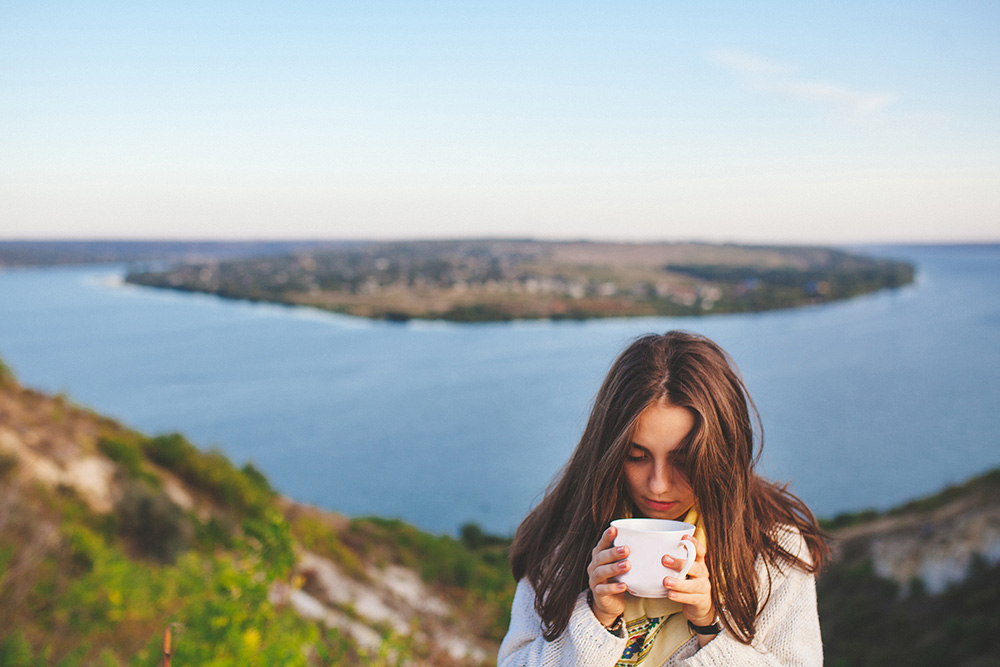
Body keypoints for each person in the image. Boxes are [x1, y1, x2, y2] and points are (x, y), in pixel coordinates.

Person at [498, 331, 828, 666]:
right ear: (609, 453)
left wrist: (709, 627)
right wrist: (596, 622)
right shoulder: (564, 540)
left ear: (722, 457)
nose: (658, 485)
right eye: (636, 457)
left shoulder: (773, 551)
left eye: (684, 462)